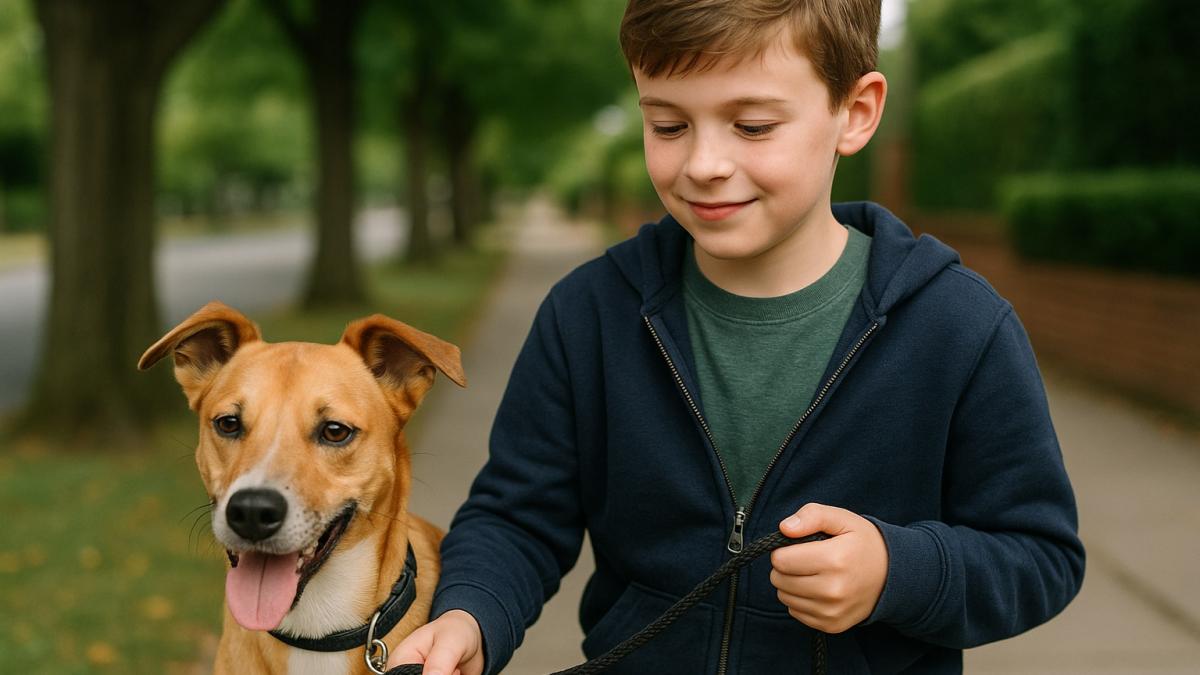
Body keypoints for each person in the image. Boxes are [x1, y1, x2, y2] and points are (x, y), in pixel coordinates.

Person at [391, 1, 1085, 672]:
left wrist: (895, 570)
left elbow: (1040, 554)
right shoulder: (588, 314)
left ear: (856, 112)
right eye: (668, 125)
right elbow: (517, 516)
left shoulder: (959, 326)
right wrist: (469, 617)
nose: (703, 164)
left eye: (752, 126)